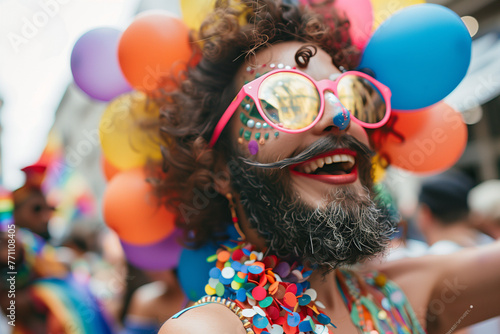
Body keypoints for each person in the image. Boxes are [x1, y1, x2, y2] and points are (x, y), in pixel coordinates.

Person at [148, 1, 500, 333]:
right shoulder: (210, 329)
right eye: (286, 98)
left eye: (349, 92)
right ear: (222, 169)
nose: (340, 115)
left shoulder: (406, 293)